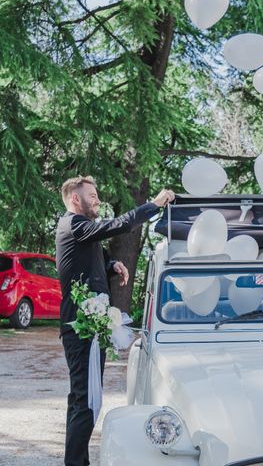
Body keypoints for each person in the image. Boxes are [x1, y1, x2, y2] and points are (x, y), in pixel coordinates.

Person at [56, 176, 175, 466]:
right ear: (75, 199)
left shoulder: (79, 231)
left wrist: (112, 264)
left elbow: (86, 261)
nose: (97, 200)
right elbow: (114, 226)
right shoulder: (74, 224)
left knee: (85, 401)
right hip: (80, 329)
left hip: (88, 328)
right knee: (85, 402)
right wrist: (154, 205)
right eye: (93, 196)